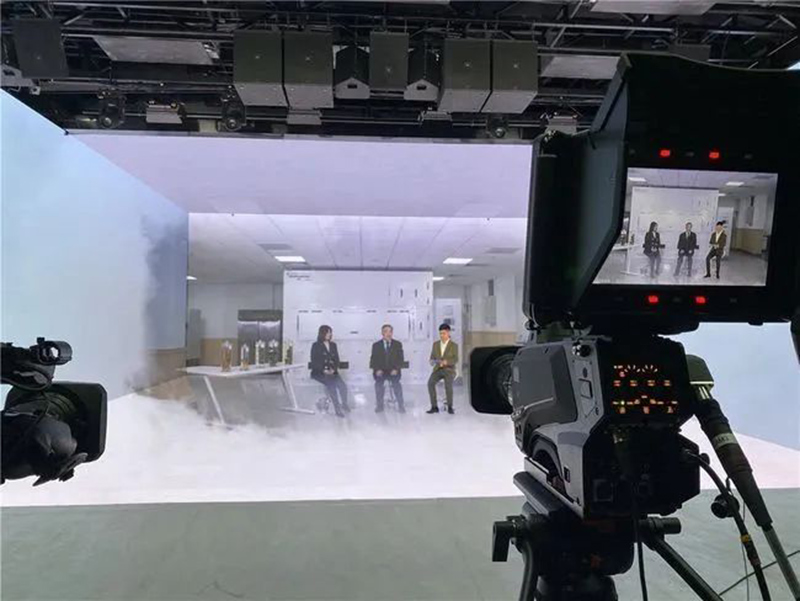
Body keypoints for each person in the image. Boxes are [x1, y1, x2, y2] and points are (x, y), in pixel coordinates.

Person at [310, 325, 349, 417]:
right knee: (332, 386)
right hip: (319, 372)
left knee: (343, 386)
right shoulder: (315, 345)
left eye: (330, 332)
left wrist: (333, 369)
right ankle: (337, 409)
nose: (330, 334)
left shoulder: (333, 345)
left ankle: (344, 404)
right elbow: (314, 361)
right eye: (328, 332)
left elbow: (337, 360)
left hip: (332, 372)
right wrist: (324, 370)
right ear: (322, 333)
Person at [369, 324, 405, 413]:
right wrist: (377, 370)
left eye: (390, 331)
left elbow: (400, 359)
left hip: (393, 370)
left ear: (392, 333)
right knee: (378, 385)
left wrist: (396, 369)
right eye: (386, 331)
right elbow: (373, 360)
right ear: (382, 333)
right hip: (381, 371)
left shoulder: (397, 344)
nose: (388, 334)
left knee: (396, 384)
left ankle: (401, 405)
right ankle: (379, 405)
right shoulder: (376, 345)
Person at [427, 323, 458, 415]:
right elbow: (432, 357)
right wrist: (432, 361)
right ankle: (434, 407)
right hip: (438, 369)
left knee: (448, 385)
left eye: (444, 333)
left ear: (448, 332)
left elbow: (455, 359)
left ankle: (450, 406)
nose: (442, 336)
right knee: (430, 383)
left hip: (449, 370)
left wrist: (446, 362)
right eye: (440, 333)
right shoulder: (435, 344)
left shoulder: (454, 345)